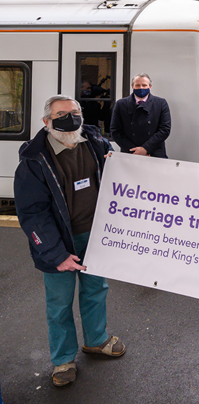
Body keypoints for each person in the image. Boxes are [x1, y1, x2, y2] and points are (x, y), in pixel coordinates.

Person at [14, 95, 126, 387]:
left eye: (75, 112)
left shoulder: (96, 143)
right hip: (59, 244)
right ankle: (63, 360)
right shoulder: (34, 160)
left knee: (96, 290)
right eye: (62, 114)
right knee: (60, 303)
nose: (70, 118)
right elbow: (33, 214)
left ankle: (96, 339)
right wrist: (56, 254)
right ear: (46, 122)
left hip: (96, 236)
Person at [110, 73, 171, 158]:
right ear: (132, 87)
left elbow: (165, 130)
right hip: (130, 153)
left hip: (155, 153)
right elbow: (115, 131)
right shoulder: (121, 104)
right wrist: (135, 151)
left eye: (144, 85)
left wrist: (146, 148)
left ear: (150, 87)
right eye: (137, 85)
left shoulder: (161, 103)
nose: (141, 88)